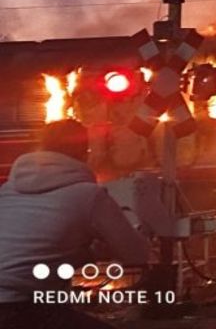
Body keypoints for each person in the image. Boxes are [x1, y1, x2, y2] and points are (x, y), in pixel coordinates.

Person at [0, 119, 151, 329]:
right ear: (84, 152)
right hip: (23, 308)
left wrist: (86, 253)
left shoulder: (8, 190)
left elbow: (34, 249)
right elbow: (137, 254)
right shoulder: (89, 195)